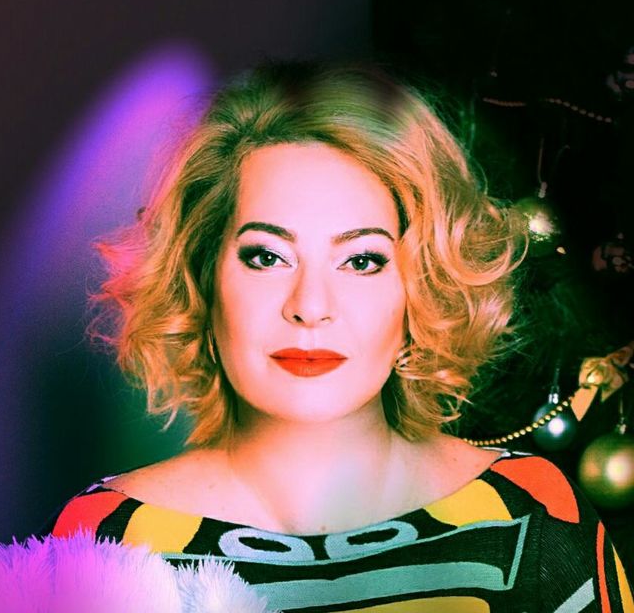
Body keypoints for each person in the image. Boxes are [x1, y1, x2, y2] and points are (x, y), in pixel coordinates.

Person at [43, 62, 632, 611]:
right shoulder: (104, 541)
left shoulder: (535, 520)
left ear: (422, 288)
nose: (310, 307)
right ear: (203, 279)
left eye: (361, 261)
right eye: (267, 256)